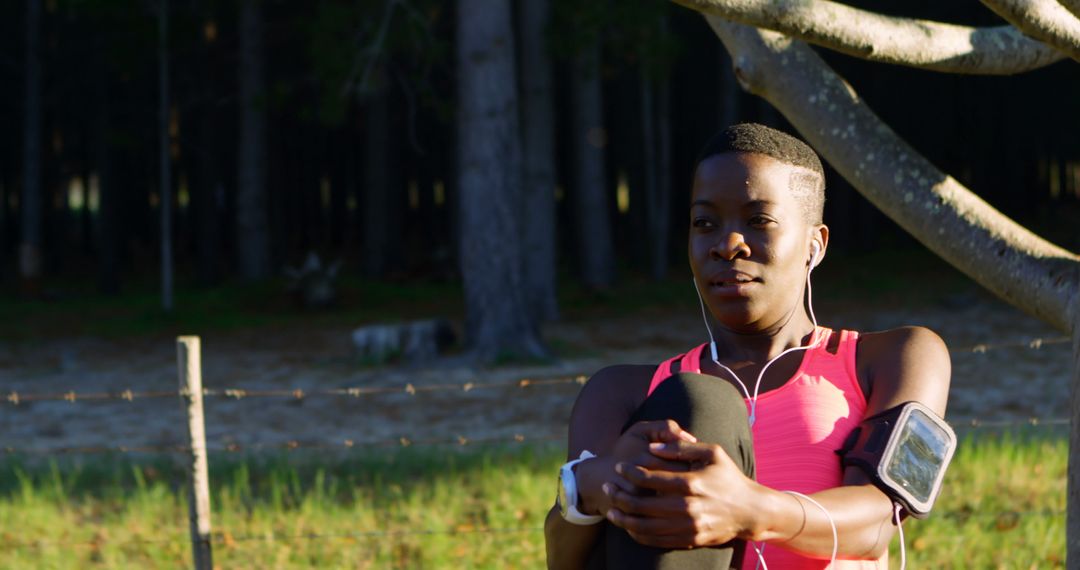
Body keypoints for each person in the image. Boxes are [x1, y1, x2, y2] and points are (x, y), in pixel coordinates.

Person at [544, 123, 951, 569]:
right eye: (705, 223)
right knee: (697, 400)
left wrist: (750, 510)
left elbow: (877, 524)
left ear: (815, 244)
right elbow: (567, 562)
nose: (728, 244)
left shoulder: (893, 359)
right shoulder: (623, 393)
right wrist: (592, 485)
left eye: (759, 221)